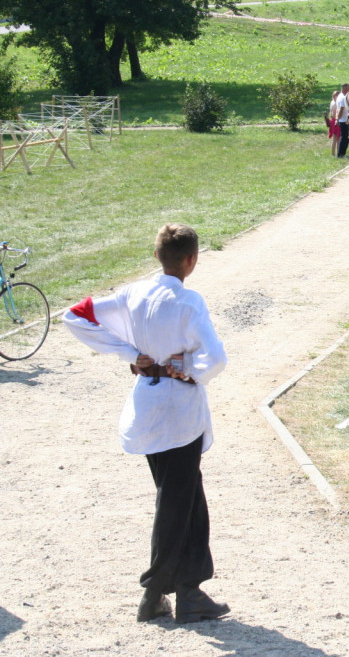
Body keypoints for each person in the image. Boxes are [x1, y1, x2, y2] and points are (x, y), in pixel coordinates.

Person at [63, 223, 230, 624]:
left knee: (184, 495)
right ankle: (161, 592)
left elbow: (76, 315)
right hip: (179, 413)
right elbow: (217, 358)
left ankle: (186, 589)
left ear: (156, 256)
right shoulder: (189, 302)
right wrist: (188, 370)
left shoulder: (132, 293)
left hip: (147, 405)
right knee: (177, 499)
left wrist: (130, 352)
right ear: (192, 260)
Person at [335, 82, 349, 159]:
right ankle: (341, 154)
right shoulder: (343, 98)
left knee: (345, 137)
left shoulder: (339, 96)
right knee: (345, 138)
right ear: (345, 89)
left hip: (342, 119)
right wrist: (338, 119)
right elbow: (341, 110)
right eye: (348, 89)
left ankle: (342, 153)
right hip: (344, 120)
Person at [328, 90, 343, 156]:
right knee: (336, 139)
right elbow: (334, 113)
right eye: (336, 96)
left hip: (333, 121)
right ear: (334, 96)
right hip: (335, 121)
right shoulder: (335, 104)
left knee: (337, 138)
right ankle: (335, 153)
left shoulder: (332, 102)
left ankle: (336, 153)